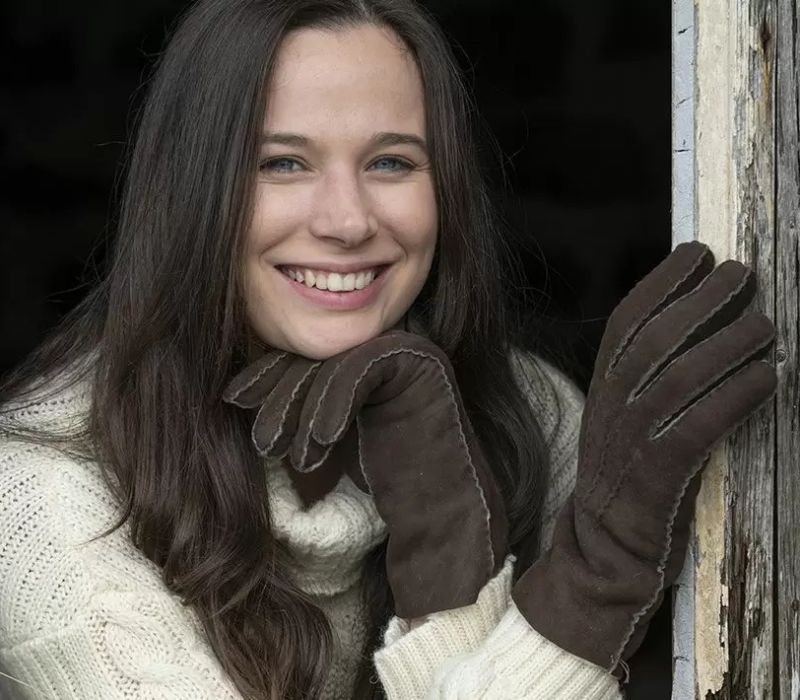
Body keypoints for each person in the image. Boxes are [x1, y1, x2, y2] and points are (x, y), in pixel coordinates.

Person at [0, 1, 777, 699]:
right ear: (192, 193)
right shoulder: (39, 498)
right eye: (283, 163)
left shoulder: (532, 415)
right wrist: (592, 584)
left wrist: (442, 536)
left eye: (392, 162)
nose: (346, 221)